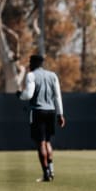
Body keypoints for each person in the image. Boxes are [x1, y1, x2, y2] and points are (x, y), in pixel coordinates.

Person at [18, 54, 66, 182]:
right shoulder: (52, 75)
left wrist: (20, 95)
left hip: (38, 111)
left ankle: (46, 174)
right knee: (48, 142)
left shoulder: (31, 75)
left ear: (33, 63)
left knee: (40, 143)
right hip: (51, 111)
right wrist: (60, 114)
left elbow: (28, 94)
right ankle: (51, 169)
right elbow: (57, 96)